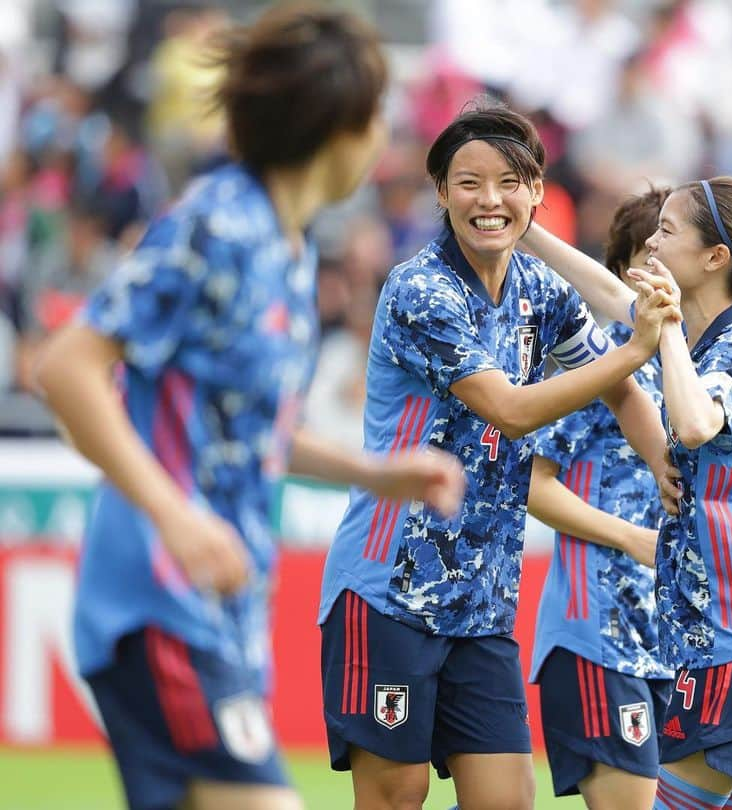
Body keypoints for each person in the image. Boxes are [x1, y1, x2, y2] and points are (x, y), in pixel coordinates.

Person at [33, 7, 466, 810]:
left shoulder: (291, 248)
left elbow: (247, 434)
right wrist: (176, 516)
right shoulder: (219, 225)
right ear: (340, 126)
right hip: (161, 599)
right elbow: (68, 367)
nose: (382, 141)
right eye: (376, 118)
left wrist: (373, 472)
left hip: (222, 608)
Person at [317, 102, 680, 810]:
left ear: (538, 193)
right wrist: (634, 349)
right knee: (396, 794)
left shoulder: (544, 293)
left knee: (507, 799)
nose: (490, 200)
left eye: (510, 182)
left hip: (482, 604)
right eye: (469, 183)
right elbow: (509, 409)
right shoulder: (421, 289)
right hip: (388, 589)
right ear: (441, 193)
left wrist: (676, 480)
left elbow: (627, 396)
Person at [522, 175, 732, 809]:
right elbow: (609, 291)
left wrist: (660, 333)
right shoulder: (699, 335)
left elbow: (693, 424)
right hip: (719, 632)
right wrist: (526, 231)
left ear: (715, 258)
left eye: (667, 231)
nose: (651, 246)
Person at [527, 187, 675, 810]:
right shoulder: (601, 366)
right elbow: (531, 483)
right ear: (622, 274)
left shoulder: (702, 372)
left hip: (673, 639)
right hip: (600, 629)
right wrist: (628, 537)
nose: (667, 264)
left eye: (679, 247)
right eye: (653, 250)